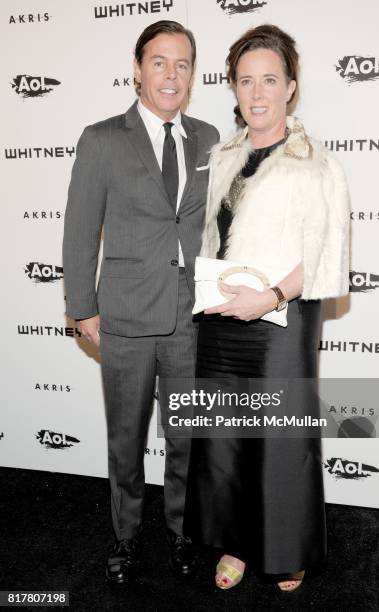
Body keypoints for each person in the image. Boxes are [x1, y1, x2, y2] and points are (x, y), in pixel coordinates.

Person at [184, 24, 350, 592]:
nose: (256, 93)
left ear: (291, 88)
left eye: (269, 81)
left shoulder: (316, 164)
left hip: (282, 320)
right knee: (225, 439)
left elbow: (327, 257)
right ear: (233, 88)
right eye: (245, 81)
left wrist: (272, 296)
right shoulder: (222, 157)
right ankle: (234, 542)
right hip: (223, 320)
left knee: (280, 441)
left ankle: (285, 549)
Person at [62, 20, 219, 583]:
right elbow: (80, 228)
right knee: (125, 441)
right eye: (159, 62)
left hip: (191, 318)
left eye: (181, 64)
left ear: (193, 74)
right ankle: (126, 538)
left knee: (186, 439)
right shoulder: (102, 138)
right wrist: (82, 307)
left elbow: (221, 228)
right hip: (124, 317)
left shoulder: (210, 138)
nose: (170, 75)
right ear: (137, 68)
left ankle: (181, 532)